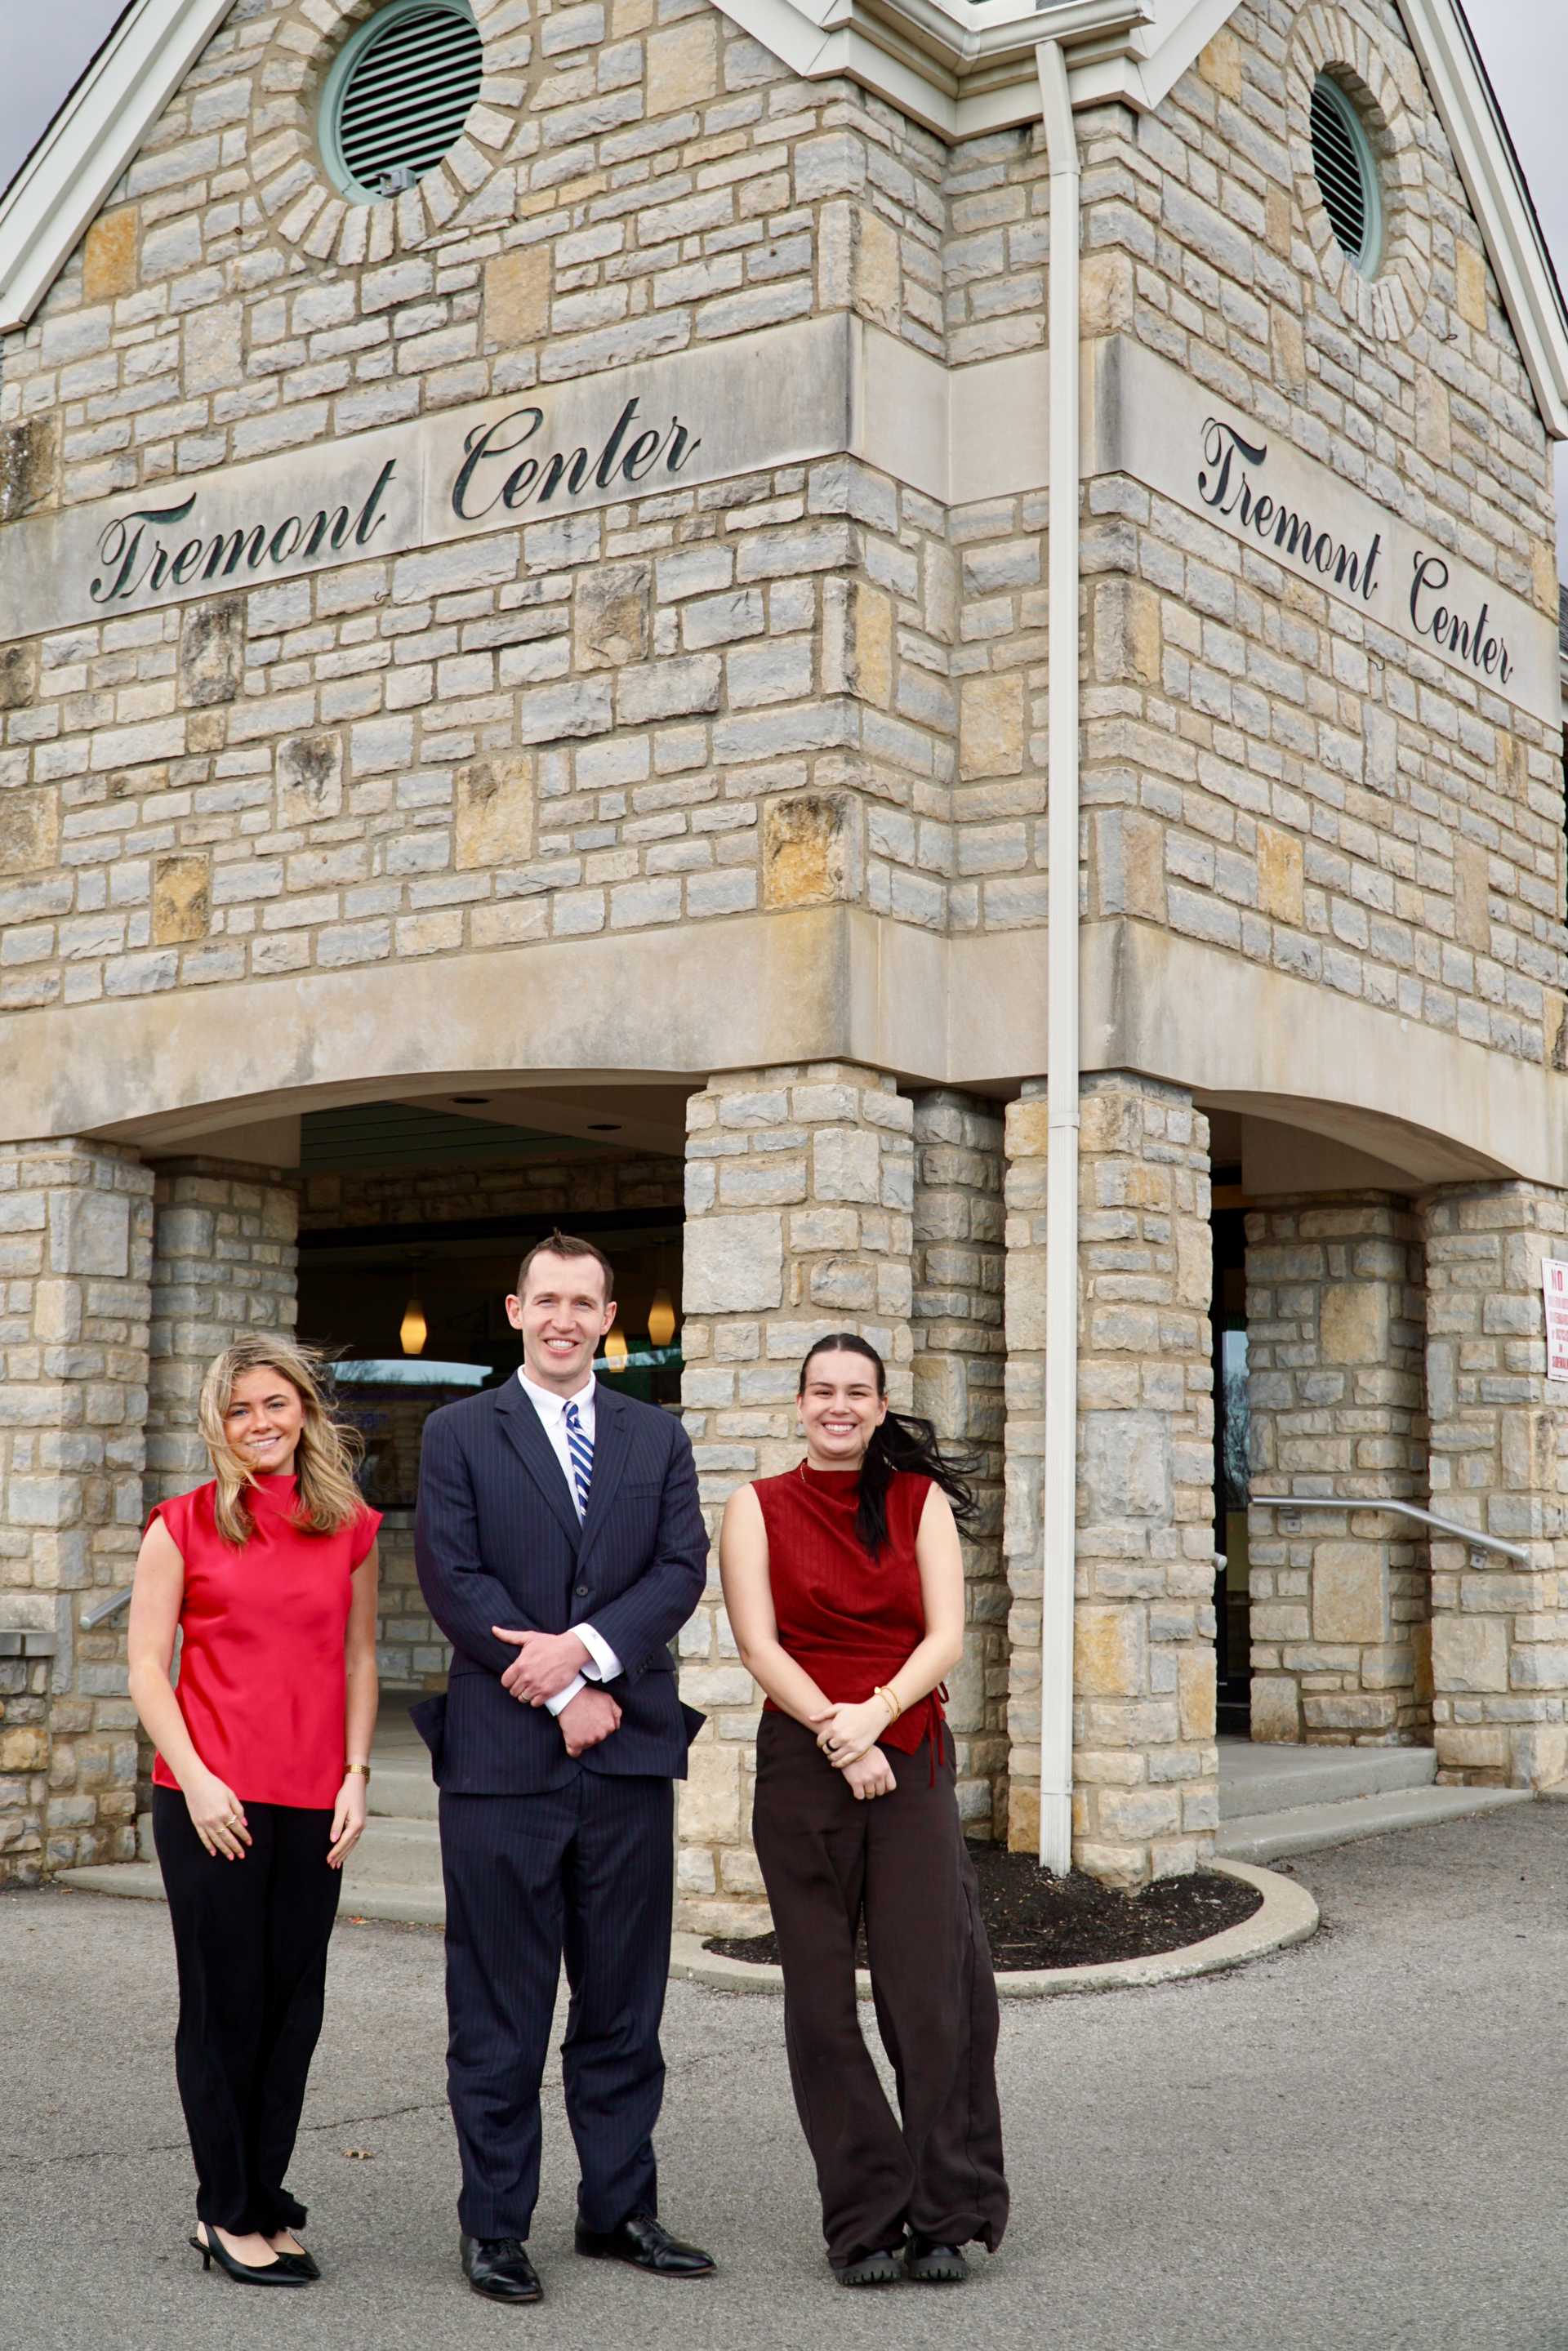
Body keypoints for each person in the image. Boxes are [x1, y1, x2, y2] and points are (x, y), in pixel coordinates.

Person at [413, 1230, 714, 2307]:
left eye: (583, 1302)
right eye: (546, 1299)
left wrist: (586, 1653)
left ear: (608, 1317)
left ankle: (618, 2207)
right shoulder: (458, 1432)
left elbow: (681, 1566)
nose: (563, 1318)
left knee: (625, 2001)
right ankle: (495, 2224)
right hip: (503, 1763)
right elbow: (452, 1576)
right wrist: (557, 1687)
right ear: (515, 1309)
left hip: (627, 1760)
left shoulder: (656, 1435)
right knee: (500, 2004)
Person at [719, 1332, 1009, 2288]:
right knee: (818, 2003)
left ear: (881, 1407)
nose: (838, 1405)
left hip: (909, 1753)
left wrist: (876, 1718)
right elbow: (758, 1644)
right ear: (800, 1403)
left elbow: (946, 1635)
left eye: (857, 1391)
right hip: (802, 1765)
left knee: (930, 1993)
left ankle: (946, 2211)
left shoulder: (919, 1503)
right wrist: (838, 1734)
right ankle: (864, 2218)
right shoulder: (756, 1506)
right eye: (822, 1390)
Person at [126, 1335, 381, 2289]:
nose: (260, 1421)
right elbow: (146, 1666)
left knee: (291, 2008)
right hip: (212, 1799)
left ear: (304, 1410)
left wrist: (357, 1773)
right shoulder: (181, 1525)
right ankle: (225, 2210)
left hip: (315, 1798)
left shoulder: (350, 1525)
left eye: (275, 1402)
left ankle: (263, 2195)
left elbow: (361, 1657)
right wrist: (195, 1777)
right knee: (223, 2003)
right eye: (240, 1409)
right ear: (218, 1424)